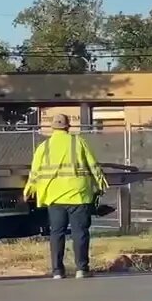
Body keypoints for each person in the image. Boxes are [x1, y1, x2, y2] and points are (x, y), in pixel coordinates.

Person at [24, 114, 109, 279]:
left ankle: (57, 271)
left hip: (53, 197)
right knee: (80, 232)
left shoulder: (44, 146)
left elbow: (35, 171)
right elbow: (92, 164)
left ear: (52, 128)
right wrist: (100, 182)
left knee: (56, 233)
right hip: (78, 194)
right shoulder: (78, 142)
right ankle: (81, 269)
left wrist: (29, 189)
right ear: (68, 127)